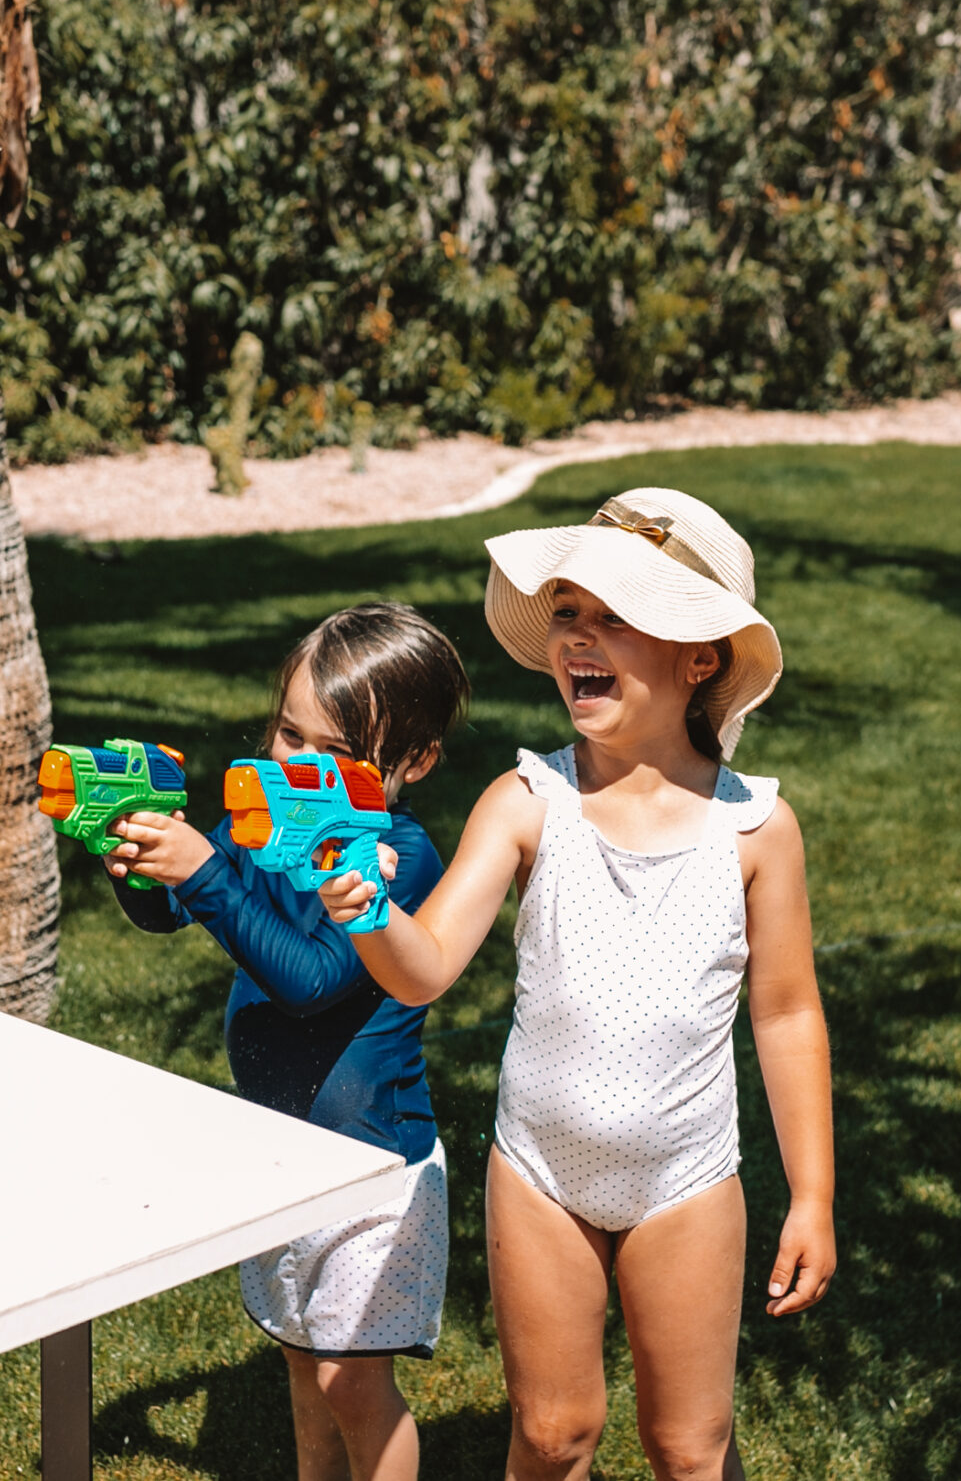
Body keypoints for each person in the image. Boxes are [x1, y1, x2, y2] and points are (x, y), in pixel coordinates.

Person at [318, 490, 836, 1481]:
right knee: (553, 1435)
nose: (578, 637)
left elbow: (785, 1013)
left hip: (685, 1178)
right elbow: (424, 965)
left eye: (614, 615)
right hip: (539, 1173)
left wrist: (809, 1192)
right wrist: (368, 915)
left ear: (700, 654)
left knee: (688, 1446)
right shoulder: (526, 801)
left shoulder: (756, 831)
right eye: (566, 612)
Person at [103, 602, 470, 1481]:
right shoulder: (259, 823)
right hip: (278, 1155)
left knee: (350, 1376)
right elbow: (172, 906)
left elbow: (308, 981)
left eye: (331, 751)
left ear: (412, 762)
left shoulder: (400, 858)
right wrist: (140, 859)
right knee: (305, 1364)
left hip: (375, 1167)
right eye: (286, 732)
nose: (294, 762)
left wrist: (206, 871)